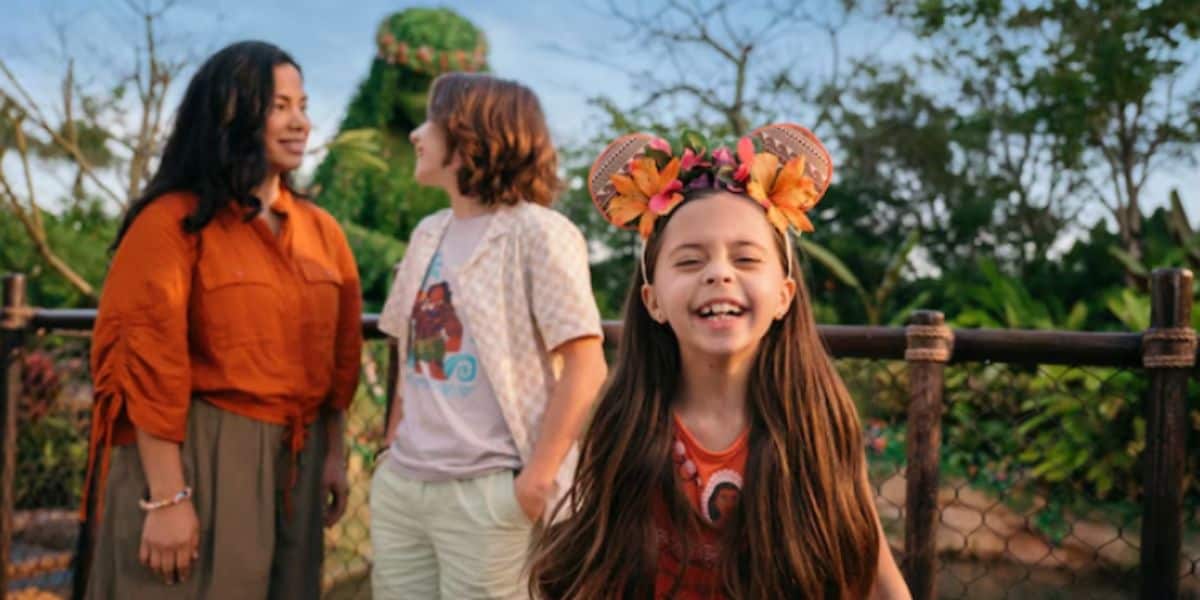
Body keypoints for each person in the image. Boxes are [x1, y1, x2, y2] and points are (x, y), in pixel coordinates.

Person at [528, 124, 911, 599]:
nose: (719, 274)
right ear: (653, 301)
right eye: (690, 261)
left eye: (746, 259)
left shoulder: (817, 420)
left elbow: (873, 567)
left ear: (784, 295)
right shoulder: (627, 420)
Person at [82, 40, 362, 600]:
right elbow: (145, 362)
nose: (300, 123)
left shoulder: (322, 232)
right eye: (279, 107)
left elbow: (340, 357)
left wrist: (333, 454)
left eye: (302, 106)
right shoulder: (169, 223)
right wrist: (167, 498)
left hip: (299, 461)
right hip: (200, 454)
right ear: (232, 113)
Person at [370, 72, 607, 599]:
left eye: (431, 122)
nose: (416, 134)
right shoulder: (428, 232)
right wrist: (390, 447)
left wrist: (536, 479)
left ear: (469, 135)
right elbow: (407, 346)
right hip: (404, 485)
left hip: (488, 492)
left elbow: (587, 365)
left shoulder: (539, 232)